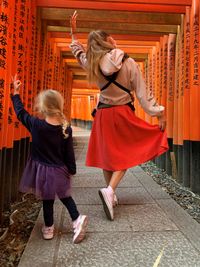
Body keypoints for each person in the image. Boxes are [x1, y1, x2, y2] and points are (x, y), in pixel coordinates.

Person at [69, 11, 168, 221]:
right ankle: (109, 191)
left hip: (103, 114)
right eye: (111, 37)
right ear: (107, 41)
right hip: (122, 113)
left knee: (108, 157)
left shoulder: (92, 64)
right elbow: (142, 93)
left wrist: (73, 34)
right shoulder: (128, 61)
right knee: (125, 153)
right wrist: (158, 113)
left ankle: (110, 192)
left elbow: (78, 53)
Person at [11, 74, 88, 243]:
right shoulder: (65, 128)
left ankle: (49, 228)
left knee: (48, 201)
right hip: (60, 170)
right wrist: (72, 169)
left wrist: (15, 93)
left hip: (44, 171)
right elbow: (69, 153)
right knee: (66, 197)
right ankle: (76, 219)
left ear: (42, 108)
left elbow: (20, 113)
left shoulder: (36, 125)